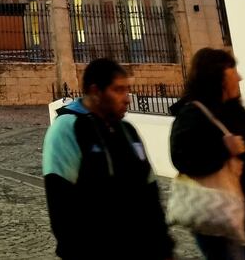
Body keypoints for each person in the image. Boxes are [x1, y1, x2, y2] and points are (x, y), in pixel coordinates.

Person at [42, 57, 173, 260]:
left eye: (126, 90)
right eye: (118, 90)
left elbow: (150, 194)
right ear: (95, 92)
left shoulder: (128, 131)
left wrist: (164, 247)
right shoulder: (66, 130)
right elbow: (61, 207)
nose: (127, 98)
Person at [170, 48, 245, 260]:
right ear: (217, 77)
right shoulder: (193, 113)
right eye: (233, 72)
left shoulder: (237, 111)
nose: (240, 78)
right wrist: (222, 149)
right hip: (221, 222)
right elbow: (183, 158)